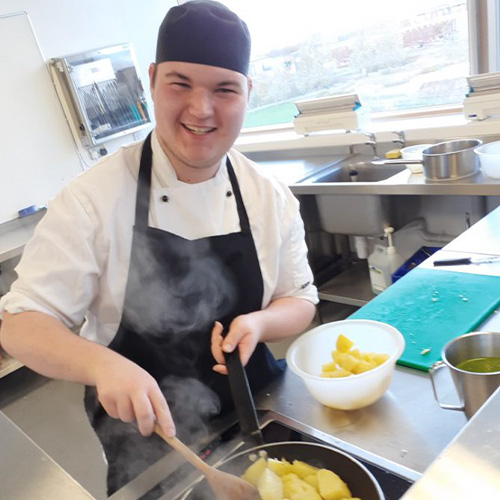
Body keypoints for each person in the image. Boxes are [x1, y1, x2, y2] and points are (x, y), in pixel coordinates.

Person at [0, 0, 318, 495]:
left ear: (248, 93)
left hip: (260, 411)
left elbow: (300, 299)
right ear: (151, 80)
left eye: (224, 89)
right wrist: (102, 364)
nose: (201, 109)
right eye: (180, 83)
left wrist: (260, 323)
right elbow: (20, 328)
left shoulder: (267, 194)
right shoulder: (91, 200)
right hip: (150, 443)